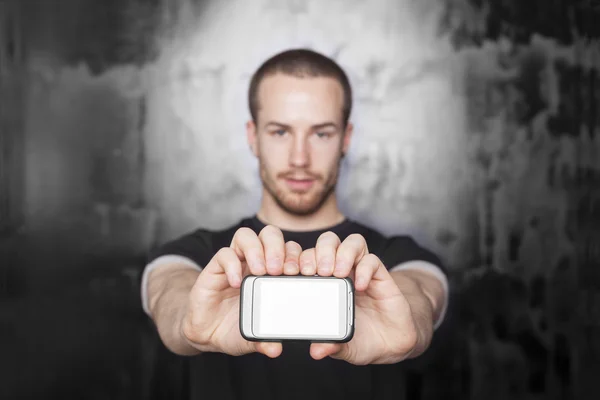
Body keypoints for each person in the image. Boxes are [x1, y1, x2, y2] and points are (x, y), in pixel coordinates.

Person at [141, 48, 449, 400]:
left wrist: (410, 322)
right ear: (252, 136)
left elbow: (421, 293)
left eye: (321, 134)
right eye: (280, 132)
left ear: (346, 139)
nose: (299, 159)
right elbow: (169, 292)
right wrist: (187, 322)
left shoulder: (398, 257)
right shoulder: (195, 255)